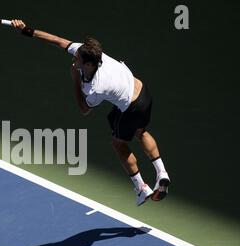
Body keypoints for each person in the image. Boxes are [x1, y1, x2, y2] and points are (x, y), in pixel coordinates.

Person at [11, 19, 170, 206]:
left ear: (88, 65)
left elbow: (84, 110)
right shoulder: (91, 54)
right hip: (142, 91)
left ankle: (141, 188)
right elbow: (58, 41)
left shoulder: (95, 88)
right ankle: (162, 173)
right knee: (140, 132)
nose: (74, 58)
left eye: (77, 59)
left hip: (130, 108)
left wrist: (75, 80)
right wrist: (27, 30)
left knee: (118, 143)